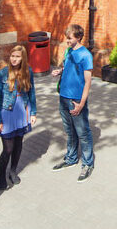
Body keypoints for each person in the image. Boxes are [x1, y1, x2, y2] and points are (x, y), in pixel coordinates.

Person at [51, 24, 95, 182]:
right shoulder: (69, 51)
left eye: (69, 38)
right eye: (66, 37)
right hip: (63, 96)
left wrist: (81, 103)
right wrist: (59, 71)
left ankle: (88, 163)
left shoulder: (86, 55)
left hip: (76, 99)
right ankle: (71, 159)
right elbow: (65, 66)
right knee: (69, 131)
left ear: (78, 37)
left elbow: (88, 81)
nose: (67, 40)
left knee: (83, 133)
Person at [0, 45, 37, 190]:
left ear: (22, 58)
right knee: (8, 149)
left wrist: (33, 112)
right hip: (7, 112)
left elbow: (32, 93)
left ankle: (13, 171)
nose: (14, 59)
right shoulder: (2, 74)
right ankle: (1, 176)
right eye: (12, 56)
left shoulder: (28, 71)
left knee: (18, 144)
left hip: (22, 110)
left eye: (17, 56)